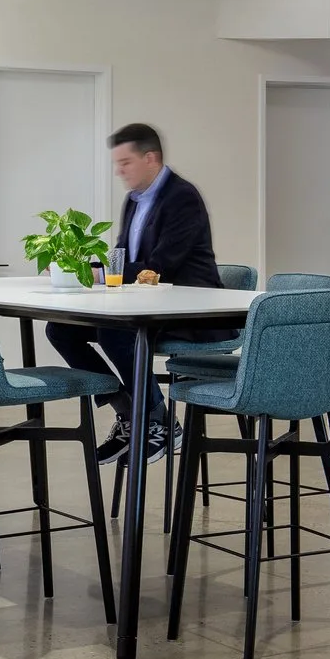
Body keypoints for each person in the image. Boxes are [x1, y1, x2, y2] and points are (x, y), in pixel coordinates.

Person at [45, 122, 223, 463]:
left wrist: (96, 274)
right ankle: (128, 412)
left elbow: (159, 267)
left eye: (125, 162)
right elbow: (122, 259)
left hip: (191, 310)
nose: (119, 171)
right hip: (147, 307)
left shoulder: (182, 196)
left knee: (115, 332)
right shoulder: (133, 201)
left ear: (150, 158)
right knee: (61, 330)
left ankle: (159, 422)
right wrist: (80, 267)